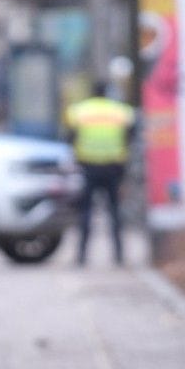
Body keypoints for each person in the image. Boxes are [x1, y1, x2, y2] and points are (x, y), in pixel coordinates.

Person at [64, 79, 136, 266]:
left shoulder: (80, 111)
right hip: (114, 168)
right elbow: (130, 136)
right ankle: (119, 255)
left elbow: (70, 137)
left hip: (88, 167)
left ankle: (81, 255)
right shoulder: (120, 111)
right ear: (108, 92)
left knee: (86, 213)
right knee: (115, 213)